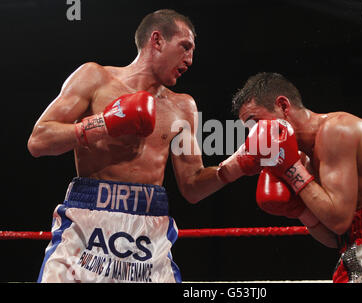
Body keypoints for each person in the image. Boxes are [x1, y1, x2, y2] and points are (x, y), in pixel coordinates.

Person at [27, 9, 227, 283]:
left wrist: (236, 166)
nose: (190, 59)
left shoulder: (184, 106)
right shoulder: (94, 78)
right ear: (157, 40)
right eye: (185, 47)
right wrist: (105, 123)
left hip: (148, 235)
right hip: (87, 225)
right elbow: (39, 140)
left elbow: (192, 186)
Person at [219, 72, 362, 283]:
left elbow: (338, 220)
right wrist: (298, 209)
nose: (256, 134)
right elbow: (334, 238)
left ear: (283, 106)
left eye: (256, 123)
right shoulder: (307, 160)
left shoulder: (336, 130)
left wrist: (291, 169)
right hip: (357, 254)